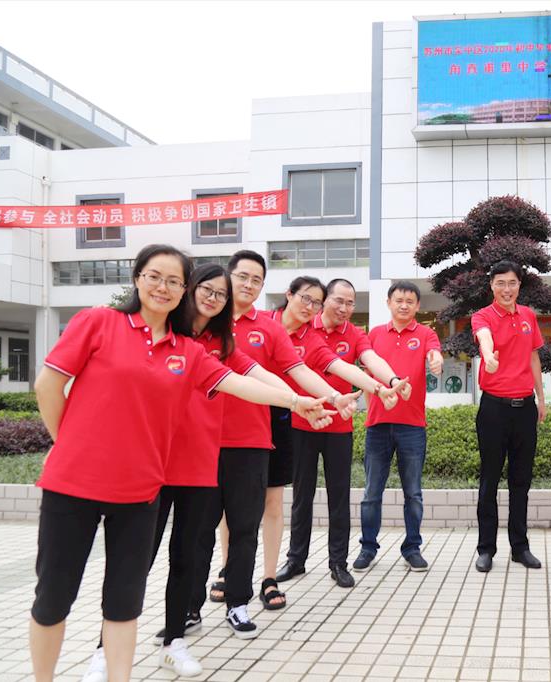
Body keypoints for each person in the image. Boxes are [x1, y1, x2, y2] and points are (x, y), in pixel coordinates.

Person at [32, 245, 332, 682]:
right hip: (88, 480)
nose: (165, 288)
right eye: (157, 277)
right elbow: (48, 385)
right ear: (139, 278)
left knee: (137, 589)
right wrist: (70, 444)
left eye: (174, 281)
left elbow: (243, 381)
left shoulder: (196, 351)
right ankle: (79, 664)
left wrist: (298, 401)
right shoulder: (100, 322)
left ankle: (162, 647)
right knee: (61, 595)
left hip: (155, 482)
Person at [197, 250, 374, 640]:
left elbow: (306, 369)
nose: (309, 306)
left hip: (267, 425)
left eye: (256, 279)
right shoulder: (208, 323)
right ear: (288, 296)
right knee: (215, 514)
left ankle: (267, 578)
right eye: (242, 277)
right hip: (208, 432)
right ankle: (224, 574)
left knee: (265, 506)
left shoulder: (277, 330)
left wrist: (339, 395)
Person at [278, 277, 408, 589]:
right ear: (324, 301)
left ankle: (338, 562)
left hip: (340, 426)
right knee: (301, 496)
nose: (345, 308)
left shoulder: (355, 334)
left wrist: (390, 382)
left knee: (339, 497)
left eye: (351, 303)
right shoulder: (306, 329)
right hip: (302, 424)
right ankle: (296, 559)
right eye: (339, 300)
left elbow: (370, 360)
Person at [353, 281, 443, 572]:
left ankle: (412, 548)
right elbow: (366, 373)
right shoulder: (375, 334)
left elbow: (435, 354)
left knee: (413, 493)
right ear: (389, 303)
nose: (404, 305)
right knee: (371, 493)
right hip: (377, 425)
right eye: (399, 300)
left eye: (410, 301)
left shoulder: (426, 333)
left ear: (418, 306)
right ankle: (367, 548)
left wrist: (436, 361)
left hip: (412, 426)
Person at [473, 260, 547, 573]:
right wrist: (489, 356)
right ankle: (486, 549)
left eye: (512, 283)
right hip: (494, 409)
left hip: (525, 408)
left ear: (519, 285)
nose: (507, 289)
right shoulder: (483, 316)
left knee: (521, 481)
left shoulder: (528, 315)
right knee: (489, 480)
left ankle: (520, 547)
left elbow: (533, 357)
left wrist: (541, 398)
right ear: (491, 285)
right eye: (500, 283)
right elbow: (485, 338)